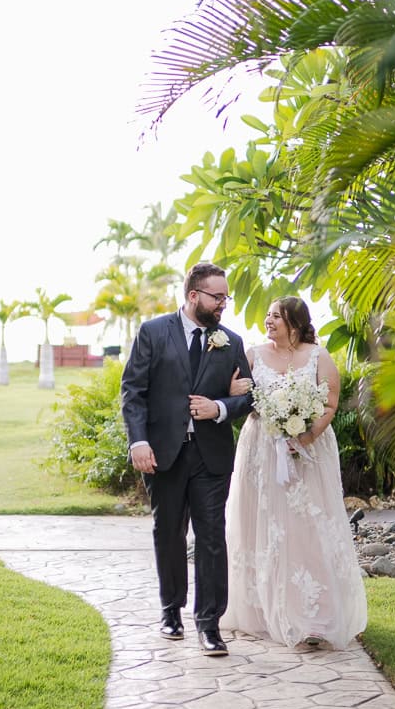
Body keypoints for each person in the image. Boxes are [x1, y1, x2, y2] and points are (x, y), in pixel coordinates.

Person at [122, 262, 253, 656]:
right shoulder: (152, 332)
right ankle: (171, 611)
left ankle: (209, 624)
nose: (223, 304)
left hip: (211, 457)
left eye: (226, 298)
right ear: (193, 295)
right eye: (218, 297)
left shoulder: (230, 341)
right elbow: (133, 392)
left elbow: (248, 396)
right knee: (169, 534)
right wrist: (138, 441)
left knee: (212, 538)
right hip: (164, 454)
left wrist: (219, 407)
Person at [221, 296, 367, 649]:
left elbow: (330, 403)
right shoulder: (252, 355)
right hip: (261, 450)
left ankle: (314, 614)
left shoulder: (318, 356)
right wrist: (232, 391)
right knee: (263, 523)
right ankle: (259, 609)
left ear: (296, 323)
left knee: (307, 527)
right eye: (268, 315)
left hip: (309, 451)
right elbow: (235, 393)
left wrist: (305, 435)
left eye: (275, 317)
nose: (268, 321)